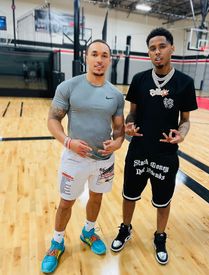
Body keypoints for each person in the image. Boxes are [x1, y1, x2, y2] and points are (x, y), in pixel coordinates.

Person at [110, 27, 198, 265]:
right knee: (129, 195)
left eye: (161, 47)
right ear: (148, 53)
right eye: (152, 48)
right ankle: (125, 228)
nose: (157, 52)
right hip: (138, 149)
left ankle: (160, 236)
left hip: (165, 154)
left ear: (172, 48)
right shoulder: (139, 80)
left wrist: (181, 135)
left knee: (163, 199)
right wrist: (129, 126)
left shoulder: (185, 83)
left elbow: (186, 121)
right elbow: (132, 115)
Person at [41, 39, 125, 273]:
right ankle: (57, 243)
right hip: (74, 158)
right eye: (95, 54)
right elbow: (53, 119)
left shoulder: (116, 96)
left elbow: (119, 130)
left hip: (104, 161)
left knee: (96, 199)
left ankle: (89, 232)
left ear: (110, 60)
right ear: (86, 57)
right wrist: (68, 141)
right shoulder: (68, 87)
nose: (99, 59)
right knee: (66, 202)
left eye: (104, 55)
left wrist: (117, 143)